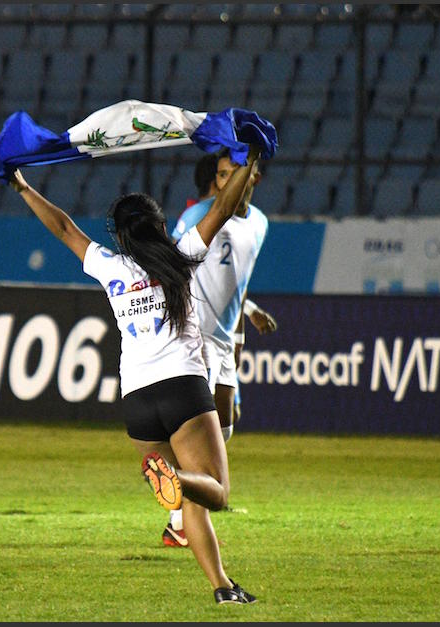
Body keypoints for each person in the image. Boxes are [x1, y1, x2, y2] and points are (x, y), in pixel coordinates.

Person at [7, 144, 262, 605]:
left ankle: (223, 588)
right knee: (216, 492)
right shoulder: (182, 254)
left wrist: (22, 185)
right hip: (182, 389)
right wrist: (251, 161)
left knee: (191, 508)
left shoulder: (111, 266)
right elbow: (225, 207)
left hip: (137, 402)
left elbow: (63, 226)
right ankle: (178, 479)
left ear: (120, 237)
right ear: (160, 225)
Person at [161, 148, 277, 549]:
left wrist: (251, 313)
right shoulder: (197, 218)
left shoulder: (259, 224)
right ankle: (179, 520)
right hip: (195, 335)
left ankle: (188, 493)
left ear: (254, 179)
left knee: (226, 425)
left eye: (237, 174)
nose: (228, 181)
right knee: (202, 428)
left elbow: (236, 283)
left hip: (226, 338)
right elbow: (170, 268)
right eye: (223, 175)